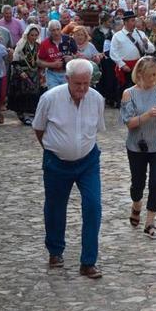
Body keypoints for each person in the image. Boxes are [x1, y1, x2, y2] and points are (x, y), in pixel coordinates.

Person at [32, 59, 105, 279]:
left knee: (93, 206)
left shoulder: (96, 99)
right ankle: (55, 251)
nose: (82, 88)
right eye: (77, 84)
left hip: (88, 161)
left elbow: (97, 129)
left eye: (86, 83)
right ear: (67, 79)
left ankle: (88, 261)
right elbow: (39, 128)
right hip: (56, 162)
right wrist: (55, 148)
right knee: (55, 207)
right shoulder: (50, 99)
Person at [120, 57, 156, 239]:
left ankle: (150, 223)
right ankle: (136, 205)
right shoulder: (129, 94)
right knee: (138, 183)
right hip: (137, 146)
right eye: (150, 75)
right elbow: (129, 123)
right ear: (140, 74)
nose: (154, 78)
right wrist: (148, 115)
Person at [110, 11, 154, 104]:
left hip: (138, 65)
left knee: (138, 86)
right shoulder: (117, 36)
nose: (135, 23)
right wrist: (122, 65)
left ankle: (138, 104)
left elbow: (151, 50)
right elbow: (113, 53)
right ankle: (124, 104)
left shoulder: (140, 34)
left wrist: (146, 43)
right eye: (132, 21)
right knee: (124, 87)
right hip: (125, 66)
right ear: (125, 22)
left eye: (135, 21)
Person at [8, 24, 42, 126]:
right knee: (23, 95)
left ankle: (31, 114)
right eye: (32, 35)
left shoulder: (38, 46)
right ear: (27, 35)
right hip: (23, 74)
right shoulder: (21, 45)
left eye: (36, 35)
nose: (34, 37)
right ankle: (23, 115)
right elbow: (15, 61)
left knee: (34, 94)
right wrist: (20, 72)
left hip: (34, 74)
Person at [38, 20, 78, 89]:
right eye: (53, 30)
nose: (56, 33)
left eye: (58, 29)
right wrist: (52, 64)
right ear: (49, 31)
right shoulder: (44, 43)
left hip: (67, 73)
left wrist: (72, 58)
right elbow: (38, 61)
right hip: (52, 74)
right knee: (53, 96)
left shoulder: (69, 40)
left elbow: (78, 55)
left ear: (61, 29)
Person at [91, 12, 118, 107]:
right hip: (99, 57)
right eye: (109, 21)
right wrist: (99, 53)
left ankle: (110, 97)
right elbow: (94, 43)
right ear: (104, 21)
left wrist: (106, 53)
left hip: (109, 57)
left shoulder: (112, 31)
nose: (110, 23)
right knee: (100, 77)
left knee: (110, 77)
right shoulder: (96, 31)